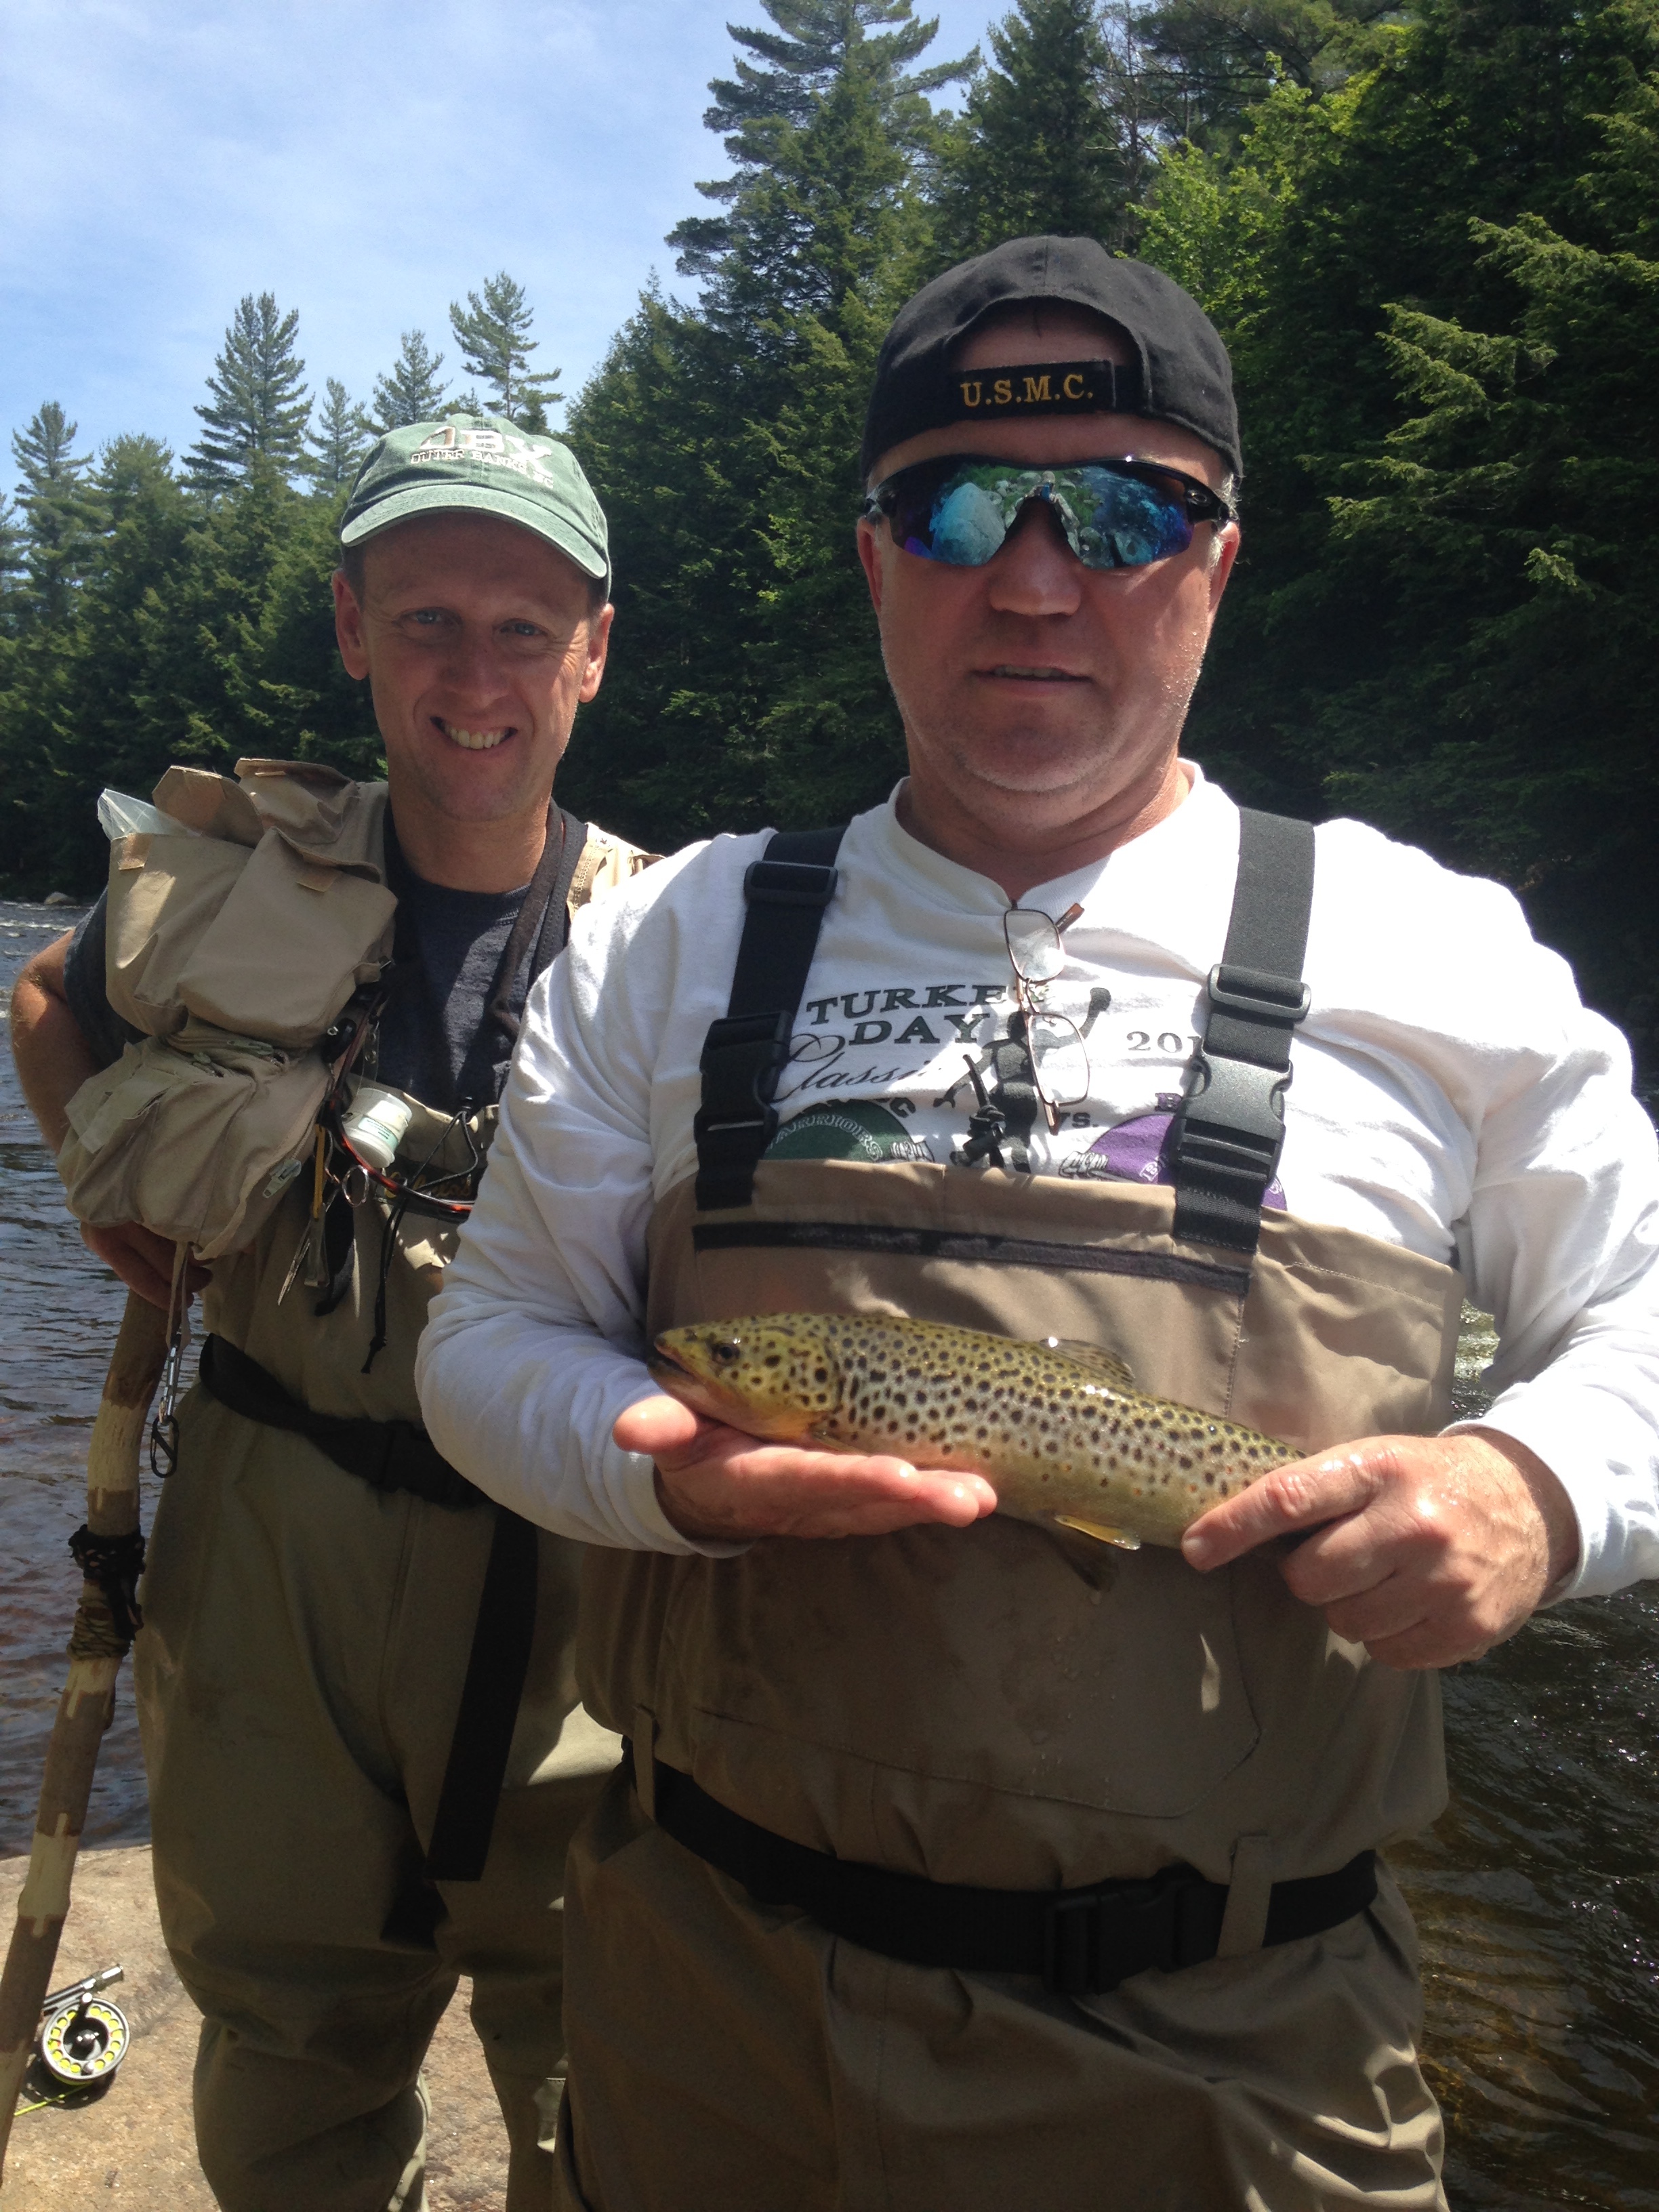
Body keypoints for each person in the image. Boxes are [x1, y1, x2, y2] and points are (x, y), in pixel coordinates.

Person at [414, 240, 1659, 2211]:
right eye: (961, 504)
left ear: (1222, 559)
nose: (1036, 574)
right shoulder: (664, 940)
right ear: (875, 555)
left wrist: (1535, 1491)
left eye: (1127, 506)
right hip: (702, 2021)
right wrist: (660, 1480)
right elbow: (486, 1347)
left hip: (1237, 2068)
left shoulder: (1441, 954)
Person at [9, 416, 656, 2212]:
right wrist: (102, 1185)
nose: (473, 675)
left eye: (523, 629)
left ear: (593, 651)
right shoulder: (240, 879)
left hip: (566, 1567)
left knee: (606, 2043)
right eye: (428, 619)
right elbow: (51, 996)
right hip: (268, 1534)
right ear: (352, 626)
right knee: (288, 2029)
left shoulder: (667, 936)